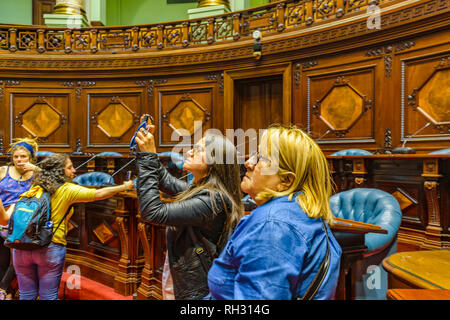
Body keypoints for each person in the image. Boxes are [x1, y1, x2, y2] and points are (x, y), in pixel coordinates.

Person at [207, 124, 342, 300]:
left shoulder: (272, 225)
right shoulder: (295, 213)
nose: (248, 163)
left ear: (286, 180)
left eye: (261, 158)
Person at [135, 124, 244, 300]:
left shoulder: (212, 200)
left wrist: (148, 156)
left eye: (198, 150)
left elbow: (152, 211)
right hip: (185, 275)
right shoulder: (202, 190)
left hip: (194, 286)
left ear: (214, 164)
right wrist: (145, 149)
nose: (189, 152)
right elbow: (165, 180)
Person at [11, 153, 133, 300]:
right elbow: (99, 193)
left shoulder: (34, 187)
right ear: (60, 171)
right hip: (49, 247)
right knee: (48, 296)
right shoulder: (66, 189)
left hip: (20, 247)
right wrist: (124, 186)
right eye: (69, 168)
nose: (74, 171)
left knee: (26, 295)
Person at [0, 138, 39, 300]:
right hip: (2, 216)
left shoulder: (37, 173)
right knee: (2, 258)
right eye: (16, 157)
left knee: (18, 257)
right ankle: (7, 291)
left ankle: (2, 287)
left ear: (30, 157)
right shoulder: (3, 170)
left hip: (25, 222)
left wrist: (36, 169)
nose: (19, 160)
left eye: (23, 156)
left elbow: (56, 182)